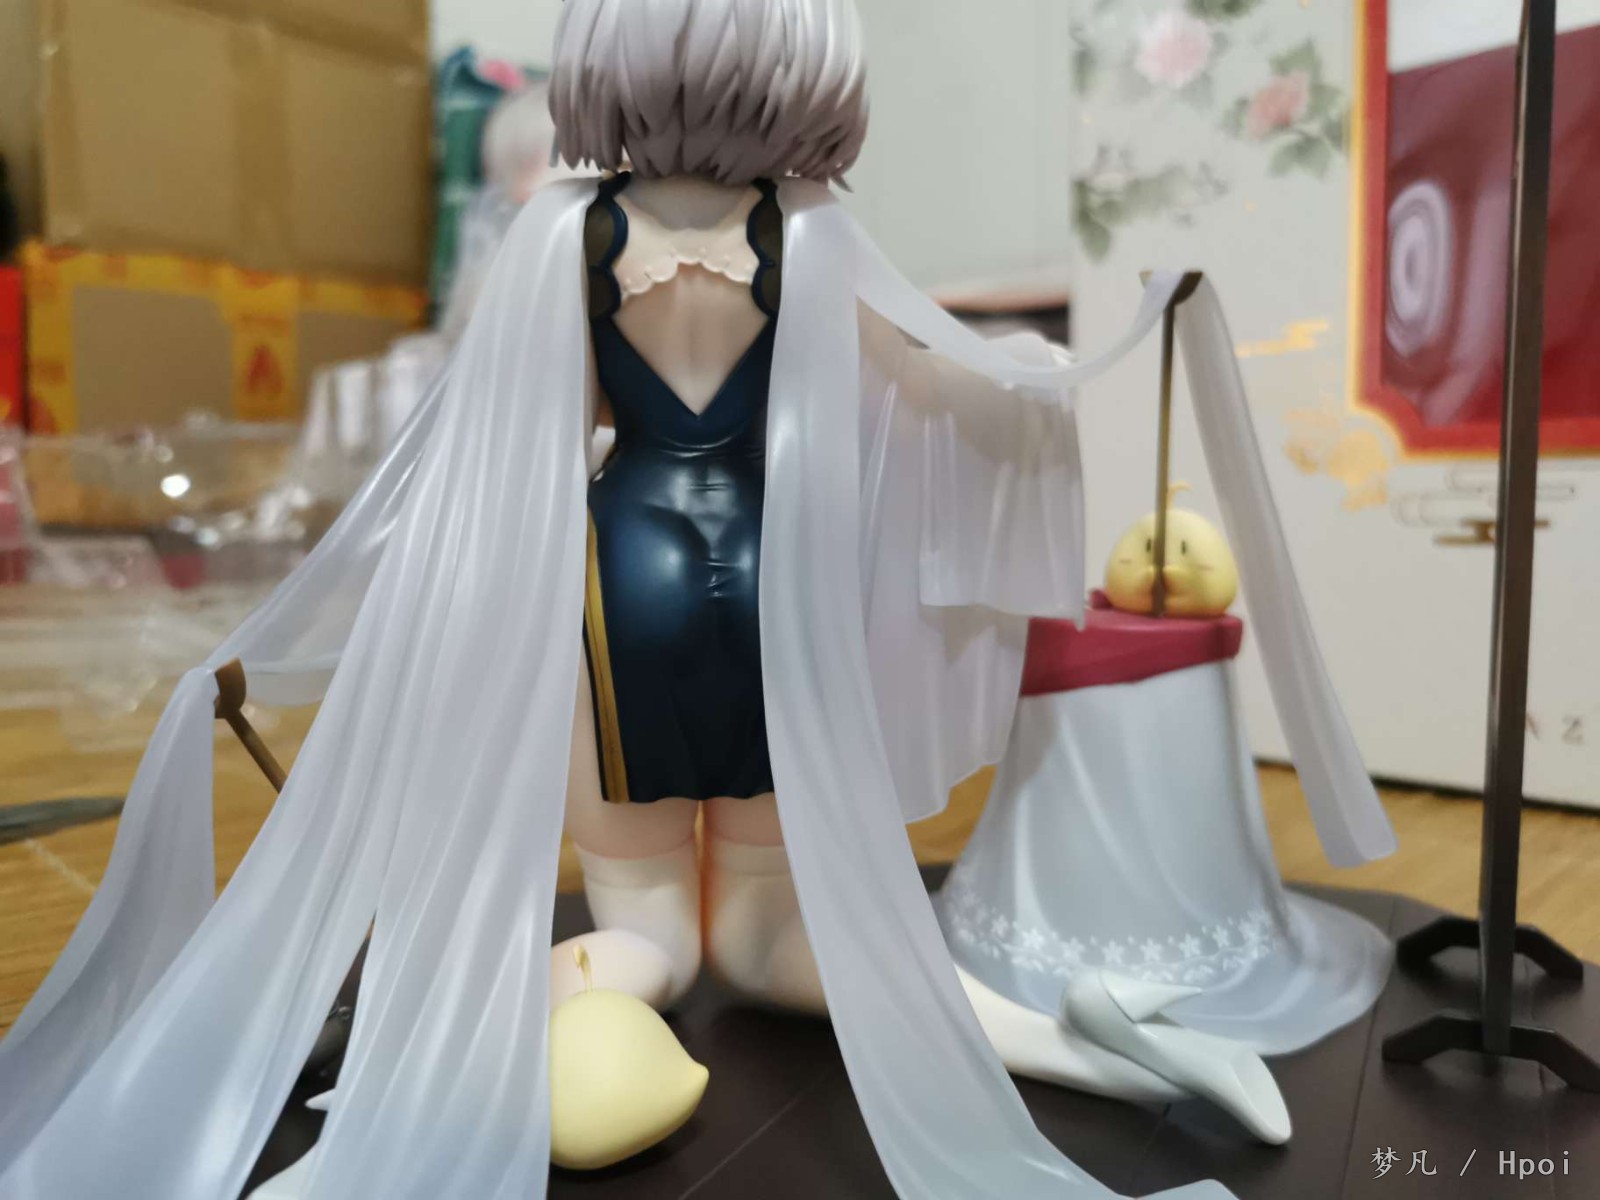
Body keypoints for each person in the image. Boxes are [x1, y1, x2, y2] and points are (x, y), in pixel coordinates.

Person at [0, 3, 1233, 1197]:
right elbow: (919, 394)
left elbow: (500, 448)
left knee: (650, 936)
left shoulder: (566, 234)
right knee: (768, 935)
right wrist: (1055, 363)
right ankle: (1072, 1037)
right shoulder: (809, 231)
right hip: (779, 596)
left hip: (617, 588)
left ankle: (435, 1059)